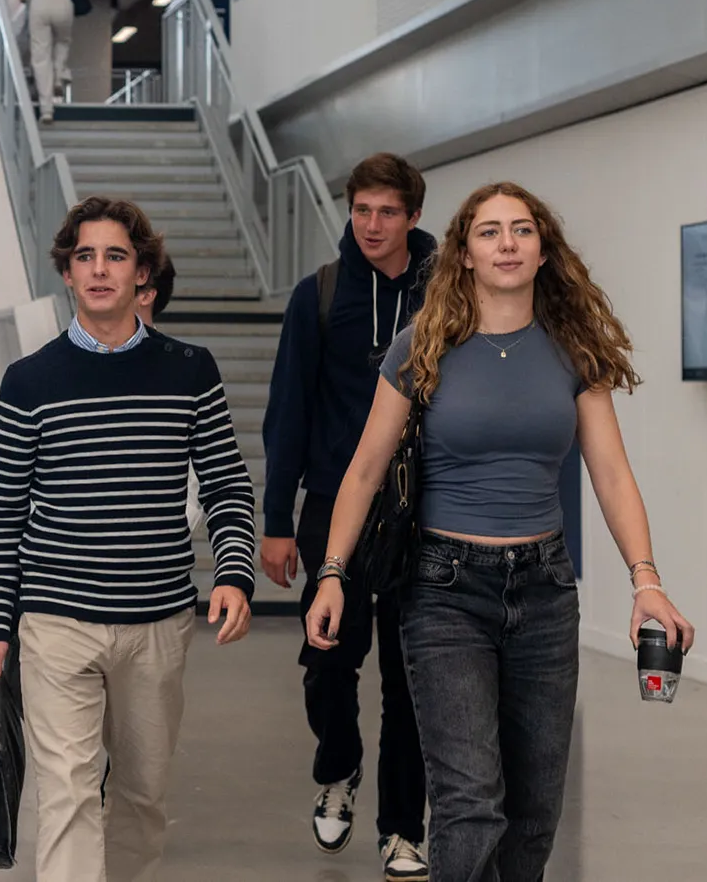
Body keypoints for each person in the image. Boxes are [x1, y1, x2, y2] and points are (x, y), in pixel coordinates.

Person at [305, 183, 696, 882]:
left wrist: (648, 582)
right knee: (469, 801)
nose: (507, 244)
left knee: (535, 810)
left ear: (544, 250)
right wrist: (332, 572)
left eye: (521, 230)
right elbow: (363, 473)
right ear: (465, 253)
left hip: (545, 593)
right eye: (489, 232)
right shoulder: (421, 346)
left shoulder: (573, 351)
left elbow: (611, 474)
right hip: (445, 592)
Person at [0, 196, 255, 882]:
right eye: (84, 256)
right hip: (55, 620)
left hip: (157, 619)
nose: (99, 269)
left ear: (142, 273)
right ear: (66, 273)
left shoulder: (190, 369)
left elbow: (226, 483)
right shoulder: (30, 381)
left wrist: (234, 572)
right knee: (67, 793)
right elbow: (2, 510)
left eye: (116, 255)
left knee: (141, 795)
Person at [261, 153, 435, 878]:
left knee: (410, 677)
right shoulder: (320, 294)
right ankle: (338, 766)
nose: (371, 224)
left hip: (424, 506)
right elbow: (288, 408)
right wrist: (276, 518)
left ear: (414, 217)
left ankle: (401, 828)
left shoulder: (446, 296)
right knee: (329, 658)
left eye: (387, 212)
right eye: (361, 210)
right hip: (334, 504)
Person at [15, 0, 84, 124]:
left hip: (38, 3)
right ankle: (59, 74)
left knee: (40, 56)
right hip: (61, 0)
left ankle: (46, 110)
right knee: (63, 40)